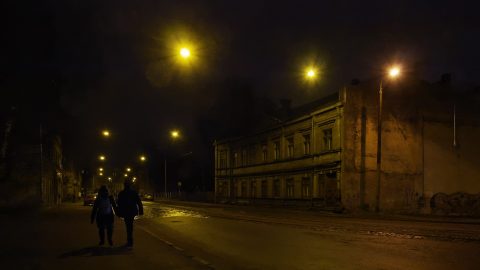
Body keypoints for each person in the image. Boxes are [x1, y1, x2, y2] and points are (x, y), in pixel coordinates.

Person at [117, 180, 143, 247]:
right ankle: (130, 240)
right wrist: (141, 211)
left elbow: (118, 203)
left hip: (125, 212)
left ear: (124, 185)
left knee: (128, 226)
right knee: (130, 225)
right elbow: (139, 202)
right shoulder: (133, 192)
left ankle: (129, 241)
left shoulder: (122, 193)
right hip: (132, 211)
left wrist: (119, 212)